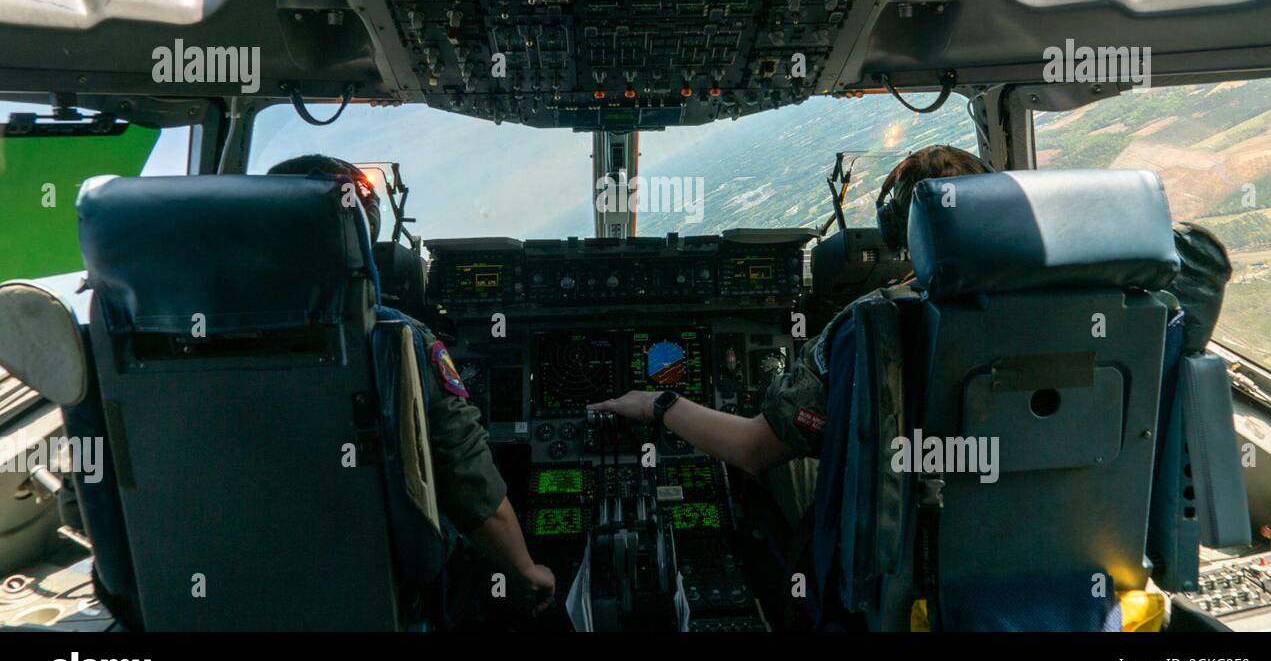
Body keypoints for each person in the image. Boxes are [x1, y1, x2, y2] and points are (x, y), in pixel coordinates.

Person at [589, 144, 989, 472]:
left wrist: (656, 403)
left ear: (895, 229)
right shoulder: (1044, 300)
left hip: (903, 529)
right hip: (1012, 518)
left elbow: (752, 449)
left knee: (788, 464)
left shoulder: (869, 323)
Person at [267, 155, 555, 609]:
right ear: (358, 231)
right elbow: (468, 479)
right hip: (385, 586)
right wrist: (524, 570)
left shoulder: (172, 343)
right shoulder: (394, 337)